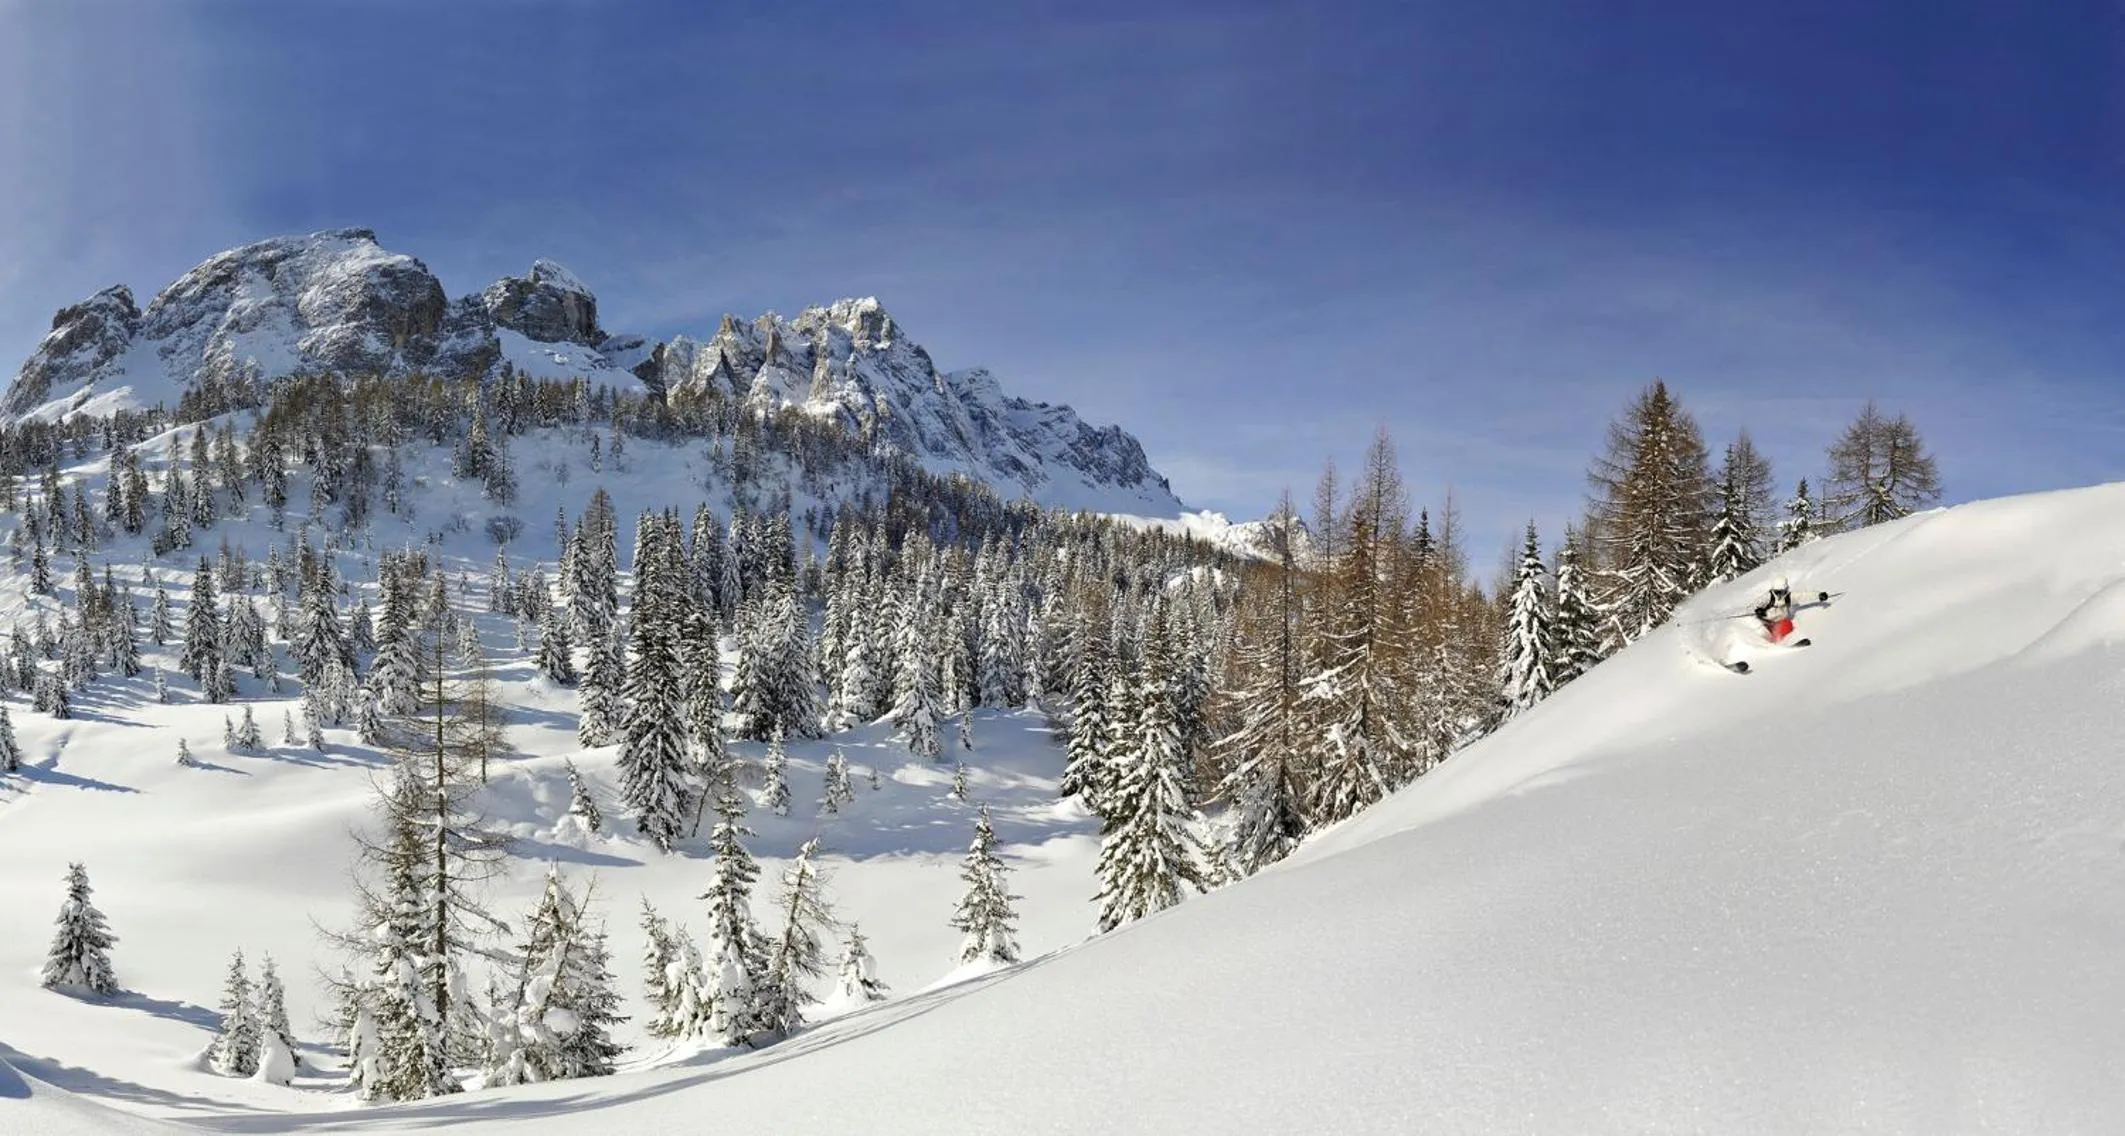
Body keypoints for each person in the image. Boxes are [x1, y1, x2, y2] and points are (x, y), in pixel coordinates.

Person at [1753, 575, 1798, 644]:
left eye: (1782, 592)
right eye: (1777, 592)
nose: (1779, 595)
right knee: (1762, 631)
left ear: (1786, 590)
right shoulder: (1768, 597)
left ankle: (1786, 642)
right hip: (1768, 622)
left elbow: (1804, 595)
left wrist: (1816, 595)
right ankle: (1765, 645)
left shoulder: (1788, 597)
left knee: (1787, 625)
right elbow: (1754, 605)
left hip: (1781, 622)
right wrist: (1759, 610)